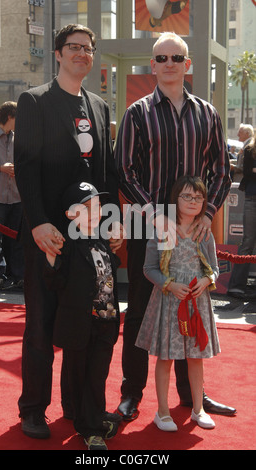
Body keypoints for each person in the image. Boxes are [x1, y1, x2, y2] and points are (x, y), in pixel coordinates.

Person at [115, 31, 235, 421]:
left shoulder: (208, 114)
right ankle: (132, 393)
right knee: (137, 309)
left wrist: (206, 212)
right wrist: (156, 213)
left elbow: (221, 169)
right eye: (161, 58)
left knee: (193, 305)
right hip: (148, 227)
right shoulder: (137, 113)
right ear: (152, 65)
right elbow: (124, 170)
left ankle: (192, 396)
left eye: (176, 58)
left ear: (188, 65)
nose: (169, 63)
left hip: (194, 231)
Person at [14, 24, 121, 439]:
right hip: (48, 235)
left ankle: (76, 405)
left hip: (89, 239)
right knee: (40, 324)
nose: (82, 54)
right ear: (57, 54)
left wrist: (111, 225)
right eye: (73, 47)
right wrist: (39, 222)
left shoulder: (99, 105)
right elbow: (25, 166)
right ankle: (33, 409)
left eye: (88, 49)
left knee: (85, 324)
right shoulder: (34, 101)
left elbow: (106, 172)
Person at [136, 176, 220, 431]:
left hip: (197, 301)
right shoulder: (164, 229)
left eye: (198, 198)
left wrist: (206, 281)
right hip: (169, 300)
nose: (193, 202)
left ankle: (198, 409)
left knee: (196, 357)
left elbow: (214, 269)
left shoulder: (204, 231)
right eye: (187, 196)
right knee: (166, 357)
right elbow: (149, 268)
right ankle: (162, 412)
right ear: (176, 199)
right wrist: (170, 285)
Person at [44, 181, 120, 450]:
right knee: (81, 373)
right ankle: (91, 429)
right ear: (70, 214)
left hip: (107, 321)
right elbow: (56, 282)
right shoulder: (65, 244)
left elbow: (107, 273)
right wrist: (51, 261)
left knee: (98, 374)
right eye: (86, 207)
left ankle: (92, 416)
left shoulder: (102, 240)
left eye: (97, 206)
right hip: (80, 324)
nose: (95, 211)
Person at [0, 102, 24, 291]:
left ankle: (17, 275)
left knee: (15, 238)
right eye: (18, 117)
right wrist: (1, 169)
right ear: (10, 117)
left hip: (15, 196)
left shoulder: (17, 139)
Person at [228, 130, 256, 300]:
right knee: (247, 241)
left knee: (247, 242)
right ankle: (236, 286)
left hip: (251, 198)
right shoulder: (249, 149)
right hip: (252, 199)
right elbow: (247, 172)